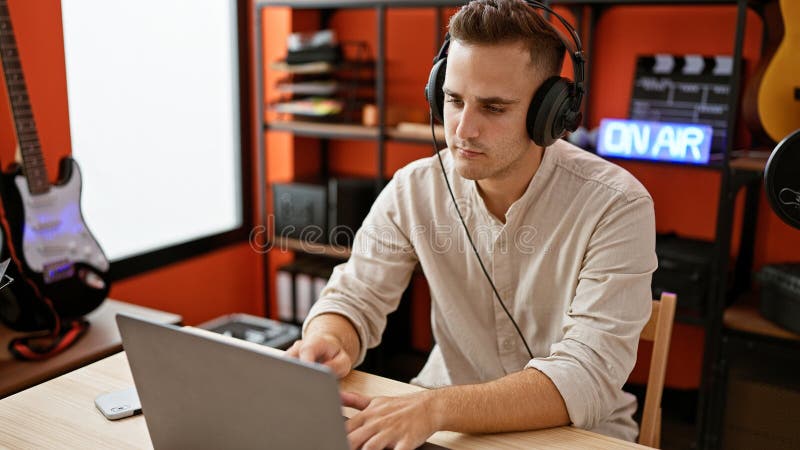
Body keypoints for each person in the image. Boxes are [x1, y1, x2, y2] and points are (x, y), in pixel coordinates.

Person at [286, 0, 657, 448]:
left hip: (573, 434)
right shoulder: (414, 187)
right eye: (454, 100)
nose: (463, 129)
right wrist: (331, 335)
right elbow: (354, 295)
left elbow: (586, 374)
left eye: (494, 108)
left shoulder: (617, 205)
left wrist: (437, 407)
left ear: (550, 115)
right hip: (440, 425)